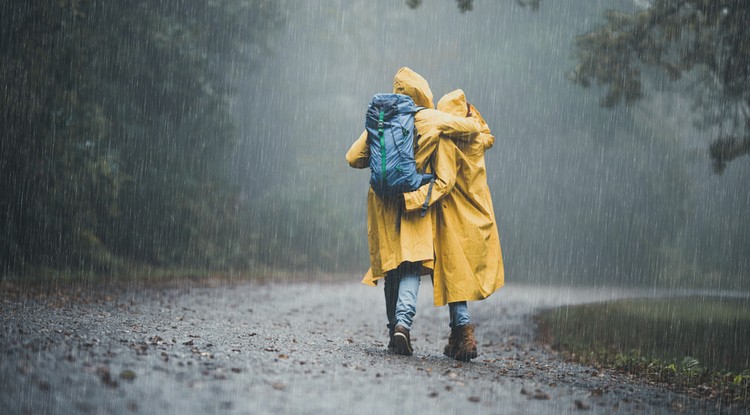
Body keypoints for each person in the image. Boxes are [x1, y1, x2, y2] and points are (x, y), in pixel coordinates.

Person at [346, 68, 484, 356]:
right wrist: (470, 117)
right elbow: (470, 130)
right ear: (423, 93)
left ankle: (393, 328)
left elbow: (353, 158)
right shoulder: (431, 118)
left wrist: (383, 164)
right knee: (411, 265)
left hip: (383, 205)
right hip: (415, 205)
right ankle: (404, 325)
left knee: (391, 268)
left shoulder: (382, 121)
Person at [402, 89, 505, 361]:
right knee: (460, 277)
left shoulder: (448, 141)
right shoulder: (476, 140)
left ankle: (463, 334)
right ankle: (459, 337)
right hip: (479, 214)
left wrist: (412, 199)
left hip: (454, 216)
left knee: (455, 276)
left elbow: (444, 184)